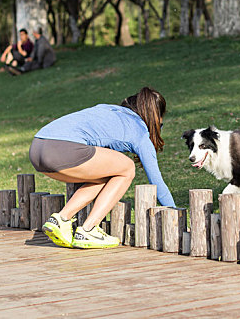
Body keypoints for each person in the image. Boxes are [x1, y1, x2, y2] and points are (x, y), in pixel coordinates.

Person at [29, 87, 175, 249]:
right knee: (127, 167)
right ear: (155, 119)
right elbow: (158, 184)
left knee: (106, 174)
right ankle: (88, 230)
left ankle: (60, 219)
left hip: (37, 148)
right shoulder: (139, 132)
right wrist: (176, 214)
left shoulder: (106, 109)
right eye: (160, 125)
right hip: (63, 151)